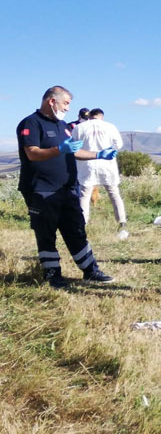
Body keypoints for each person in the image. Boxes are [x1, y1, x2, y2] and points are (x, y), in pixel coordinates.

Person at [16, 86, 117, 288]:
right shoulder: (31, 123)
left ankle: (90, 270)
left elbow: (73, 152)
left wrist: (98, 154)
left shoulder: (63, 126)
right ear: (52, 101)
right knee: (46, 233)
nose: (68, 108)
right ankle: (53, 275)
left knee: (76, 229)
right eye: (66, 103)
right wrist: (58, 149)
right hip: (42, 189)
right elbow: (32, 153)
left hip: (67, 188)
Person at [72, 108, 128, 238]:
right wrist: (109, 150)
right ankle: (122, 221)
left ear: (90, 116)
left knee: (84, 195)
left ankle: (83, 224)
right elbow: (118, 144)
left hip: (87, 163)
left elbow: (74, 146)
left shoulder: (79, 128)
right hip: (107, 164)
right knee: (114, 193)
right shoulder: (110, 126)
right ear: (101, 116)